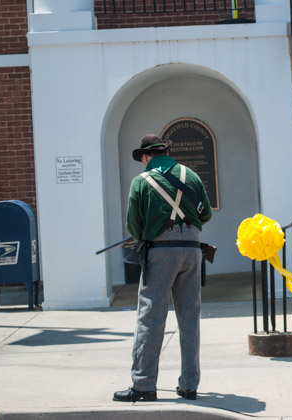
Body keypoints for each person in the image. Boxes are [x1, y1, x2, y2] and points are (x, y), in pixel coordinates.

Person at [114, 134, 212, 402]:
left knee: (151, 317)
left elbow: (134, 225)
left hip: (160, 254)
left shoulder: (141, 181)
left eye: (142, 158)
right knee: (190, 318)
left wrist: (148, 232)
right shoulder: (190, 175)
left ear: (146, 156)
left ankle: (144, 385)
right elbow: (206, 215)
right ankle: (189, 384)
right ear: (166, 152)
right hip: (193, 251)